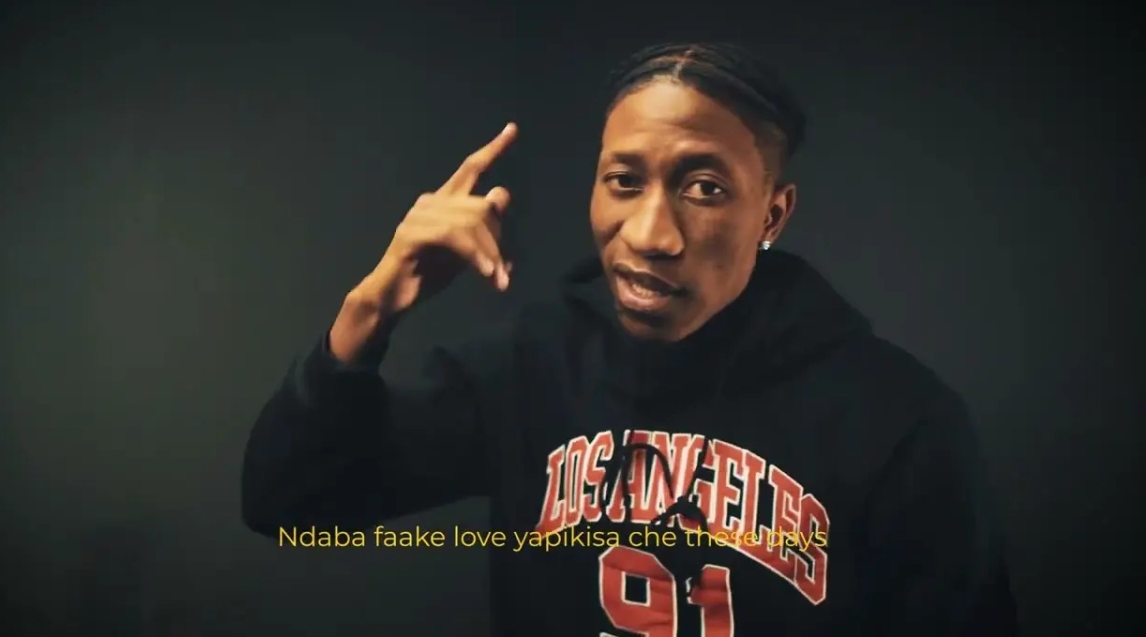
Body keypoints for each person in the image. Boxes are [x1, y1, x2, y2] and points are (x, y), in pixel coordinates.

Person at [241, 42, 1018, 636]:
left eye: (704, 188)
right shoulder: (528, 368)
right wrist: (370, 308)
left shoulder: (898, 419)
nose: (649, 234)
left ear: (773, 214)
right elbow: (288, 503)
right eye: (624, 181)